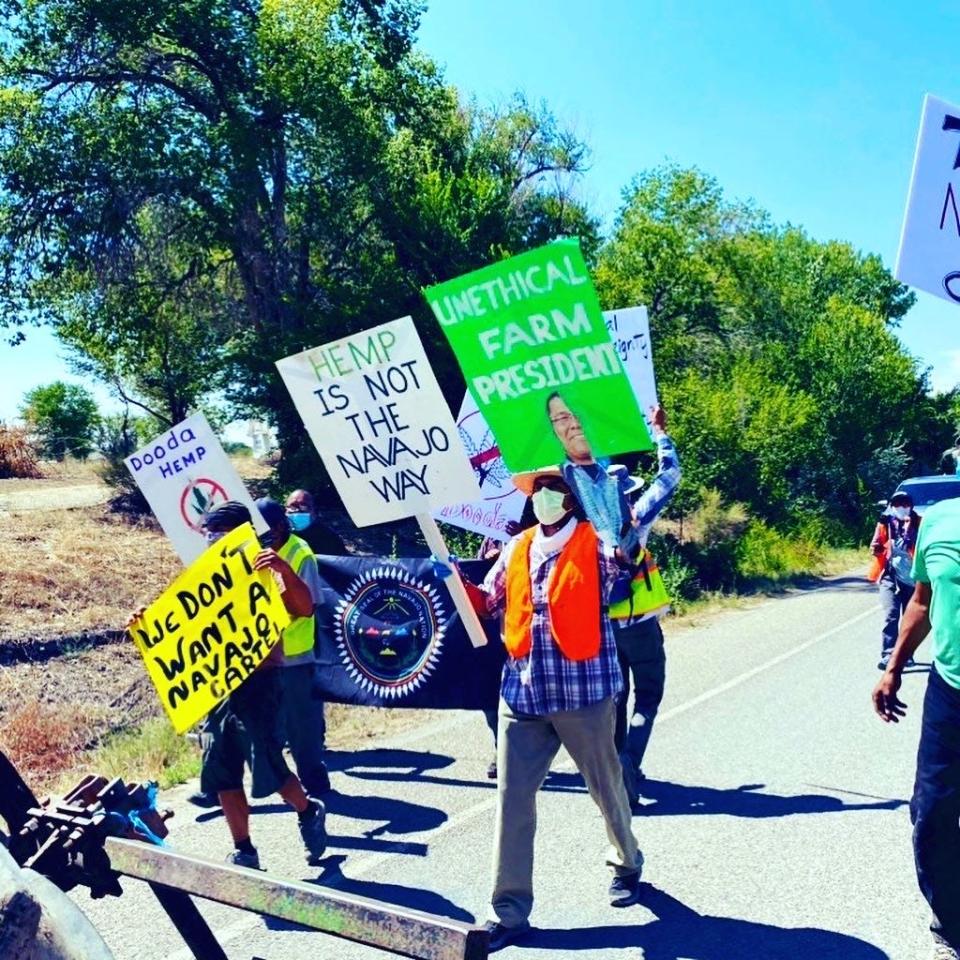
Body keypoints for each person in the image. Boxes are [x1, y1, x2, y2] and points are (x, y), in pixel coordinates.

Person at [463, 468, 642, 952]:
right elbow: (488, 601)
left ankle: (626, 861)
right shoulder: (516, 547)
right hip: (522, 695)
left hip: (584, 695)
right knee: (512, 802)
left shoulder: (596, 543)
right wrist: (457, 584)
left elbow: (624, 561)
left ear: (573, 498)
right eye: (538, 490)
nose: (543, 497)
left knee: (605, 789)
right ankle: (509, 910)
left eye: (555, 489)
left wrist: (620, 524)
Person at [132, 500, 327, 871]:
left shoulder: (265, 567)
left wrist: (282, 568)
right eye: (209, 537)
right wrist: (146, 624)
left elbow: (304, 608)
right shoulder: (206, 577)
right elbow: (180, 624)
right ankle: (244, 849)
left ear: (242, 535)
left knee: (267, 763)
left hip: (262, 681)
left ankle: (306, 809)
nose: (213, 544)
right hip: (218, 687)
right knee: (221, 766)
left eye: (220, 536)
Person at [873, 496, 960, 960]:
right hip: (950, 693)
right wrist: (893, 668)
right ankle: (950, 924)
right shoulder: (940, 520)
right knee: (931, 815)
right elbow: (922, 601)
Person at [609, 406, 681, 805]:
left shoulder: (587, 524)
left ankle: (618, 765)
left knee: (615, 700)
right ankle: (629, 763)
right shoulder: (636, 519)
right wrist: (659, 432)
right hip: (639, 625)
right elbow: (670, 476)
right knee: (648, 696)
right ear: (630, 491)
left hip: (603, 629)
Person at [257, 497, 331, 796]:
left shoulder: (301, 554)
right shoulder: (252, 552)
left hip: (294, 656)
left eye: (268, 529)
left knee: (303, 729)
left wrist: (283, 571)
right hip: (261, 657)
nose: (262, 536)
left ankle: (316, 784)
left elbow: (306, 608)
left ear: (280, 526)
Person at [869, 491, 921, 670]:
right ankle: (888, 654)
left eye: (905, 503)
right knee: (891, 614)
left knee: (909, 618)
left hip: (913, 578)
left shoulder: (920, 523)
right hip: (890, 575)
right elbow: (874, 547)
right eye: (897, 503)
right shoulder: (885, 523)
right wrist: (880, 548)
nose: (901, 507)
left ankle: (906, 654)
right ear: (891, 506)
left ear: (911, 505)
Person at [285, 489, 349, 557]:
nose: (297, 511)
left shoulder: (328, 537)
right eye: (292, 507)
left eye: (304, 507)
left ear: (314, 511)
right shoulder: (279, 534)